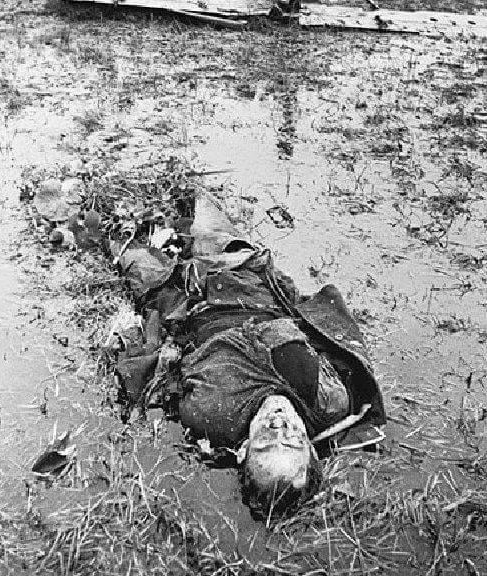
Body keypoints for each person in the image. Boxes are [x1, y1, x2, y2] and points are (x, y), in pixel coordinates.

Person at [112, 193, 385, 519]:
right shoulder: (328, 399)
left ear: (243, 450)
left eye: (267, 443)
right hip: (246, 274)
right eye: (294, 442)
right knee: (196, 201)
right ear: (312, 447)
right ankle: (183, 212)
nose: (280, 426)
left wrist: (151, 337)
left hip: (187, 293)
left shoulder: (210, 415)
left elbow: (167, 370)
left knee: (120, 242)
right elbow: (326, 334)